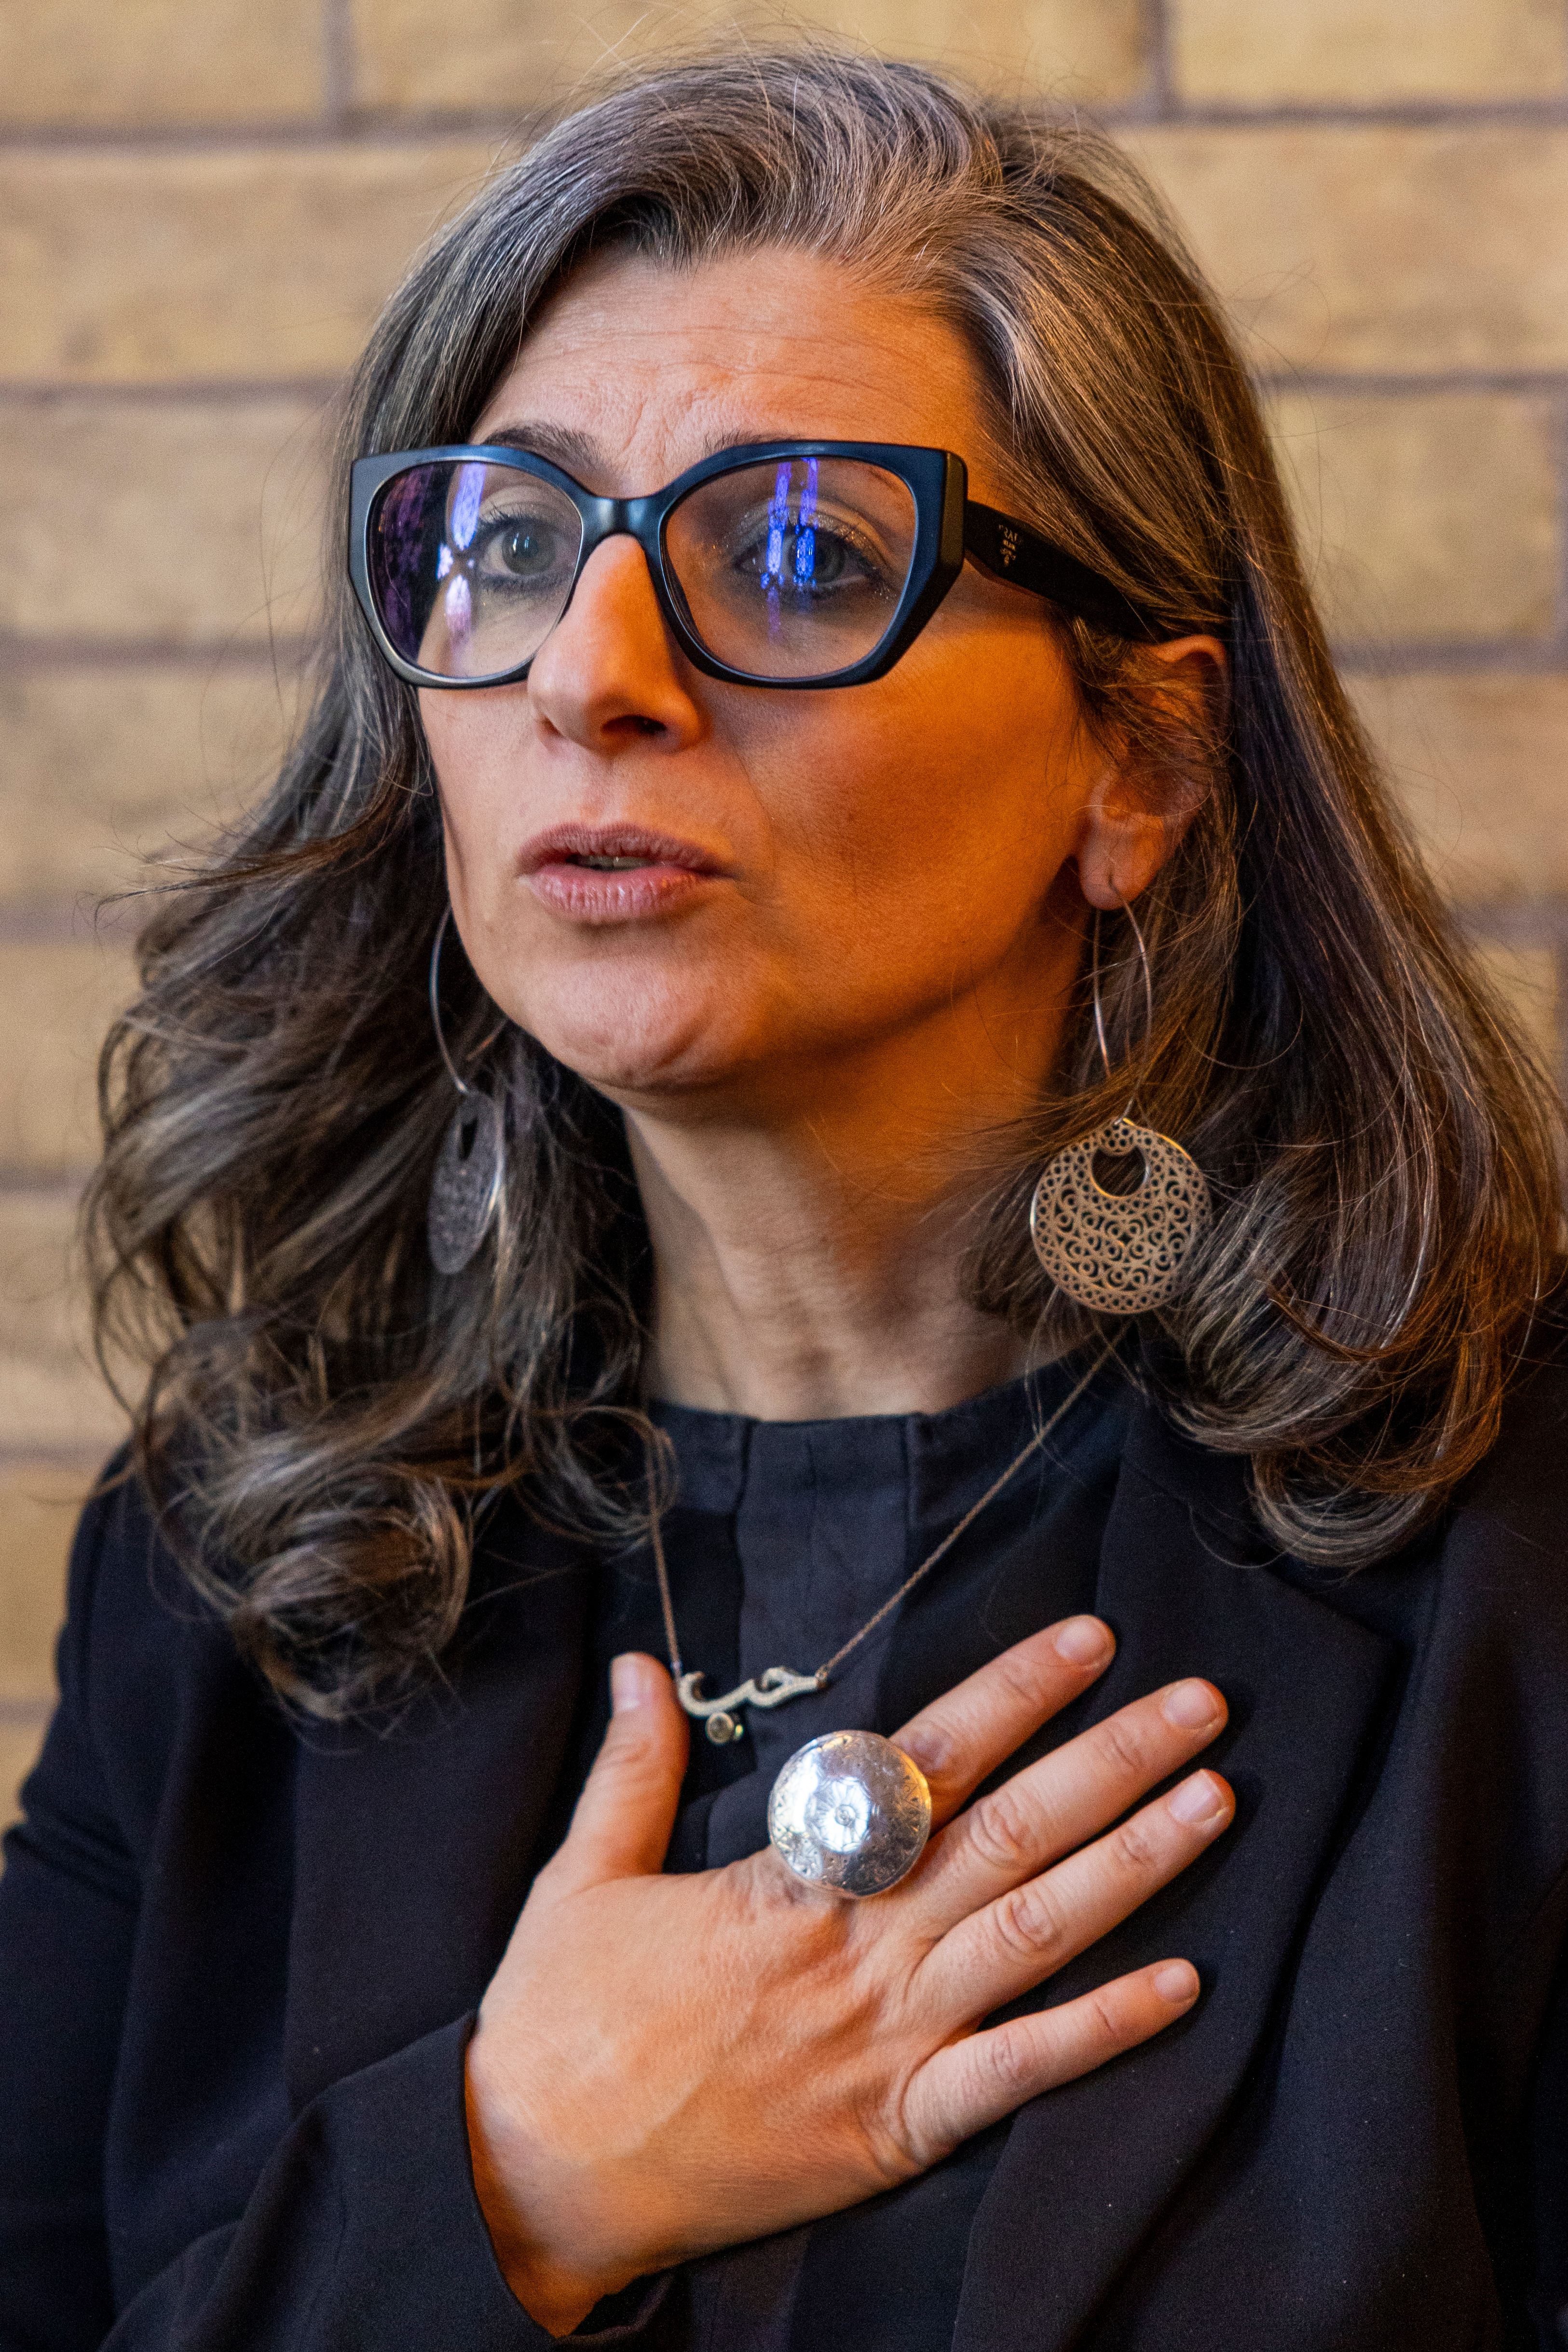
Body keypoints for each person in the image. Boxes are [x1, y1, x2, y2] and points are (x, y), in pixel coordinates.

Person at [1, 45, 1565, 2352]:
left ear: (1139, 758)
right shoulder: (235, 1548)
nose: (592, 675)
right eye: (512, 546)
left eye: (805, 554)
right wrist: (513, 2184)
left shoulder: (1515, 1562)